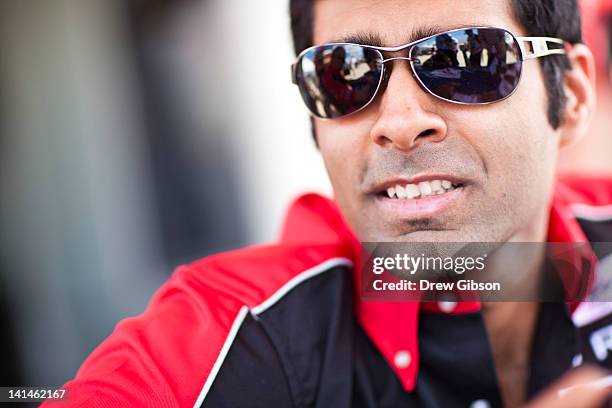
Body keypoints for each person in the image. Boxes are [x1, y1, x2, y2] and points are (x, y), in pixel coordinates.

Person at [44, 0, 612, 407]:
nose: (399, 124)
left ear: (574, 97)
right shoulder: (238, 335)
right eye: (346, 74)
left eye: (463, 59)